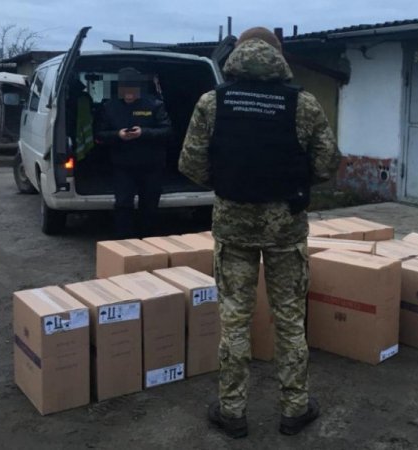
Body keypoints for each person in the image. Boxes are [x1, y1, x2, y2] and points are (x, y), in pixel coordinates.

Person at [179, 27, 340, 438]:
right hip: (287, 227)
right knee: (290, 319)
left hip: (233, 227)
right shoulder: (302, 103)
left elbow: (191, 164)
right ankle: (295, 409)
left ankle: (232, 411)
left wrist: (228, 182)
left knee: (235, 320)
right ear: (278, 55)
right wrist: (292, 181)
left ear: (236, 55)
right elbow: (327, 164)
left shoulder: (213, 102)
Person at [95, 67, 172, 238]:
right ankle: (124, 241)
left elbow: (167, 131)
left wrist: (143, 132)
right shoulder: (110, 107)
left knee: (150, 205)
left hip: (151, 165)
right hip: (123, 166)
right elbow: (99, 135)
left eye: (132, 91)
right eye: (125, 91)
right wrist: (118, 135)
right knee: (123, 204)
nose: (129, 95)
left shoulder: (154, 105)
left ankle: (147, 239)